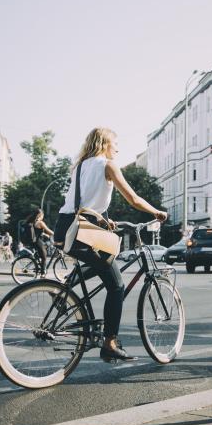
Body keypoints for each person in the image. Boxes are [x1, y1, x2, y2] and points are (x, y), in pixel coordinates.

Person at [54, 127, 167, 362]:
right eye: (115, 143)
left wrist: (104, 218)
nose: (117, 148)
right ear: (105, 143)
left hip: (65, 226)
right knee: (116, 286)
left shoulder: (80, 166)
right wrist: (156, 212)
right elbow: (133, 199)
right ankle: (110, 343)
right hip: (82, 230)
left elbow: (83, 200)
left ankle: (65, 290)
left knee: (102, 264)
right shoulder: (107, 165)